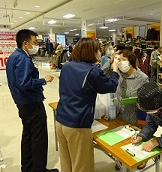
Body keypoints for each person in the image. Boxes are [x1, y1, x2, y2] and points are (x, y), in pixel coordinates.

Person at [55, 38, 120, 172]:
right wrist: (115, 70)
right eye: (97, 50)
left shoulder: (67, 66)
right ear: (90, 52)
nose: (100, 53)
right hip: (77, 125)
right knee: (82, 166)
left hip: (61, 120)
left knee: (67, 162)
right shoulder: (92, 71)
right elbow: (110, 86)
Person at [5, 29, 57, 172]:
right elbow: (24, 83)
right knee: (39, 137)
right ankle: (39, 169)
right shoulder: (23, 59)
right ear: (25, 43)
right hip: (31, 103)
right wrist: (43, 80)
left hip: (22, 103)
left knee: (28, 135)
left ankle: (27, 167)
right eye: (34, 43)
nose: (37, 46)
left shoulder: (13, 57)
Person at [102, 49, 149, 170]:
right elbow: (102, 74)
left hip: (133, 115)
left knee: (132, 141)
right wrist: (112, 61)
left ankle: (141, 159)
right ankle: (120, 160)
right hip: (118, 113)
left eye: (123, 60)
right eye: (119, 59)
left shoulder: (142, 78)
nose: (120, 62)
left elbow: (146, 101)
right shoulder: (118, 74)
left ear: (131, 62)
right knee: (118, 140)